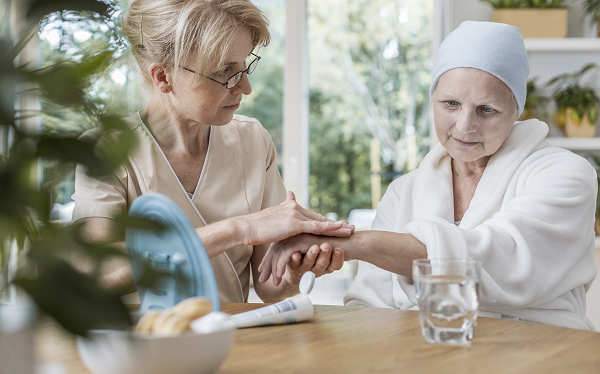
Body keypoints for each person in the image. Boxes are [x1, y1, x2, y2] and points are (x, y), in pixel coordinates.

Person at [259, 21, 598, 330]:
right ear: (432, 100)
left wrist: (350, 242)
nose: (465, 126)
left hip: (542, 359)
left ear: (516, 110)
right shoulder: (403, 192)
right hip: (427, 363)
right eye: (450, 104)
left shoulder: (566, 175)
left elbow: (501, 261)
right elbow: (369, 306)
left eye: (487, 110)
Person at [71, 0, 350, 304]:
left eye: (245, 67)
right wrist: (239, 229)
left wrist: (295, 272)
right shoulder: (104, 151)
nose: (245, 87)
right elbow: (95, 272)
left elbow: (269, 283)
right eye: (225, 73)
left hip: (235, 344)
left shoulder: (253, 140)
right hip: (144, 345)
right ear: (163, 77)